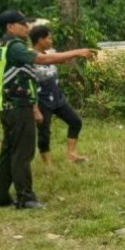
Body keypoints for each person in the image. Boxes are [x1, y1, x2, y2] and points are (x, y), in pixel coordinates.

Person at [0, 10, 95, 209]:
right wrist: (76, 52)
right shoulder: (15, 46)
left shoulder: (0, 46)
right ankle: (26, 198)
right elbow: (42, 60)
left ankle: (0, 197)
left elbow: (24, 75)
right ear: (10, 27)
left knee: (8, 152)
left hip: (6, 104)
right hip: (18, 106)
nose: (26, 27)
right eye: (22, 24)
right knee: (23, 153)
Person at [28, 24, 88, 165]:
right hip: (42, 100)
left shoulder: (50, 54)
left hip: (57, 98)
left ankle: (72, 154)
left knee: (75, 121)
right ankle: (47, 163)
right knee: (44, 133)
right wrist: (34, 108)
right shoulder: (30, 57)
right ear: (40, 39)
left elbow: (61, 59)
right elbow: (28, 82)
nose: (52, 41)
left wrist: (77, 56)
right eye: (49, 38)